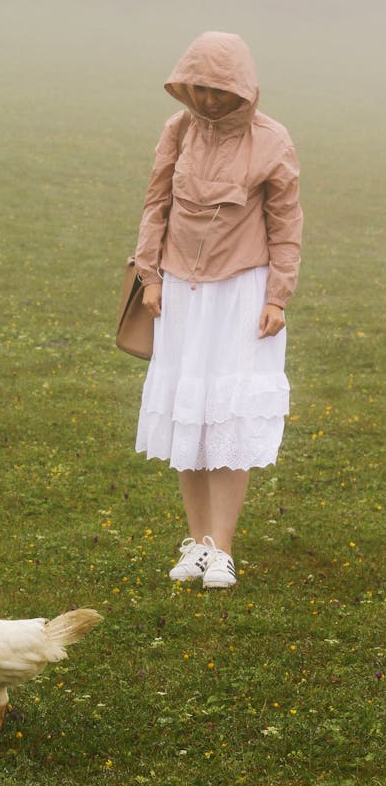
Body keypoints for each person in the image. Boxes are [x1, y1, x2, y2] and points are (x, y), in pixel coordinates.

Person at [133, 31, 303, 589]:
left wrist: (278, 295)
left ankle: (222, 550)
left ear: (243, 89)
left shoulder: (272, 140)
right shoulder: (176, 131)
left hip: (242, 294)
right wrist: (149, 277)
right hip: (180, 292)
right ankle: (197, 544)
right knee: (189, 412)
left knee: (226, 415)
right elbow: (156, 202)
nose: (208, 100)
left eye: (219, 89)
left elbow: (286, 224)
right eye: (200, 87)